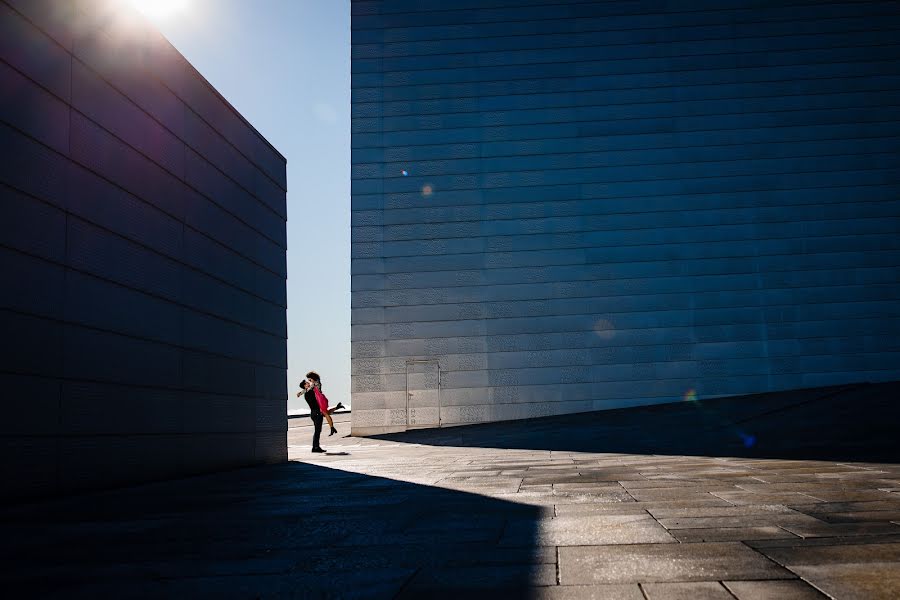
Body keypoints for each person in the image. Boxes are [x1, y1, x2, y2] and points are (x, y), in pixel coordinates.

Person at [306, 370, 344, 436]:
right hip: (320, 399)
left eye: (309, 379)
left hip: (321, 399)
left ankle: (332, 428)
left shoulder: (316, 382)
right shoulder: (315, 382)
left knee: (325, 414)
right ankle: (337, 407)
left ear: (312, 377)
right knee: (326, 413)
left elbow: (310, 388)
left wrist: (303, 391)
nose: (309, 380)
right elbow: (309, 389)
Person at [297, 379, 325, 453]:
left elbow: (313, 387)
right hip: (316, 412)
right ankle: (315, 447)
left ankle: (315, 447)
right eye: (306, 383)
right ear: (304, 386)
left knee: (317, 430)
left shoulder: (307, 392)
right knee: (317, 430)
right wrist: (315, 379)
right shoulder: (309, 392)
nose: (308, 383)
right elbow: (314, 386)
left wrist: (300, 393)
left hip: (314, 413)